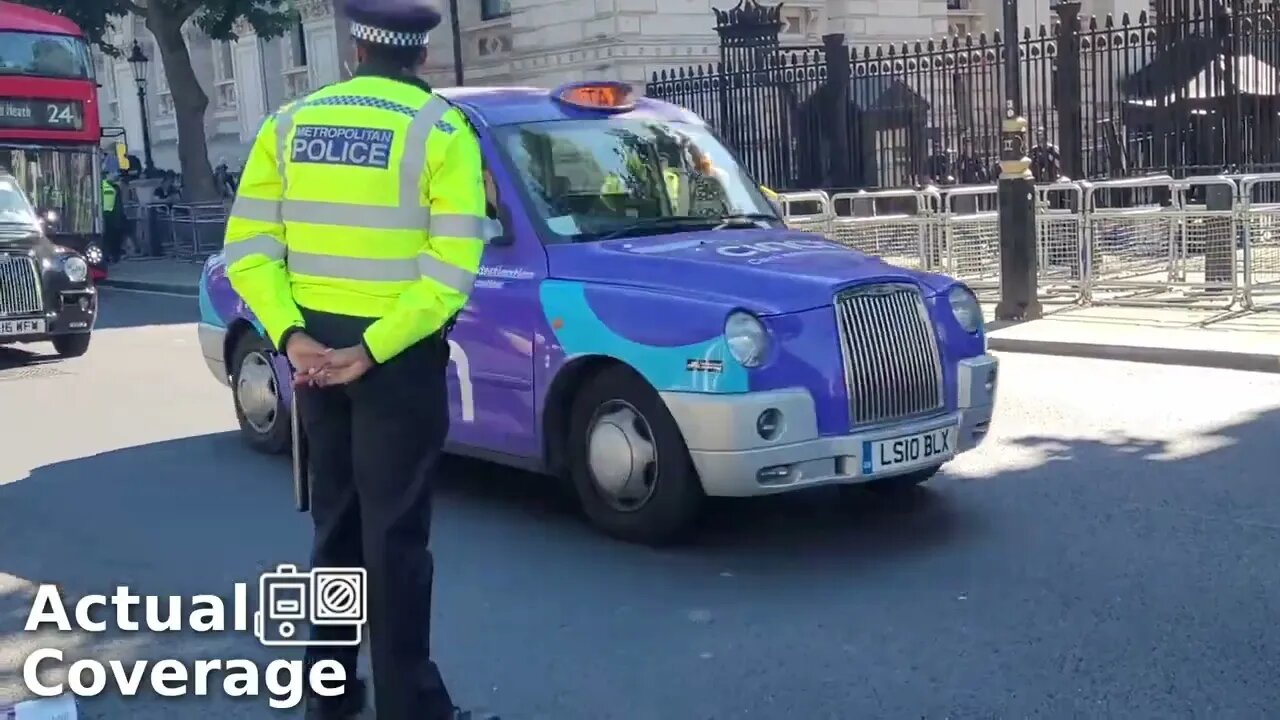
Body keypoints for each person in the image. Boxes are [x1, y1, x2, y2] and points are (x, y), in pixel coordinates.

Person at [220, 0, 496, 718]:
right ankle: (410, 708)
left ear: (354, 52)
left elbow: (248, 251)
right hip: (394, 362)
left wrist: (291, 336)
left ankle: (330, 701)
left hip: (312, 359)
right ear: (422, 57)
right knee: (396, 538)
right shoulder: (442, 129)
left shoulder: (287, 125)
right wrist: (371, 351)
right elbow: (450, 270)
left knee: (335, 530)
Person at [101, 173, 125, 263]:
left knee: (109, 237)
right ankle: (113, 255)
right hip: (111, 215)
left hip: (107, 214)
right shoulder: (114, 187)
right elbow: (119, 203)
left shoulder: (107, 186)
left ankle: (109, 255)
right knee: (112, 237)